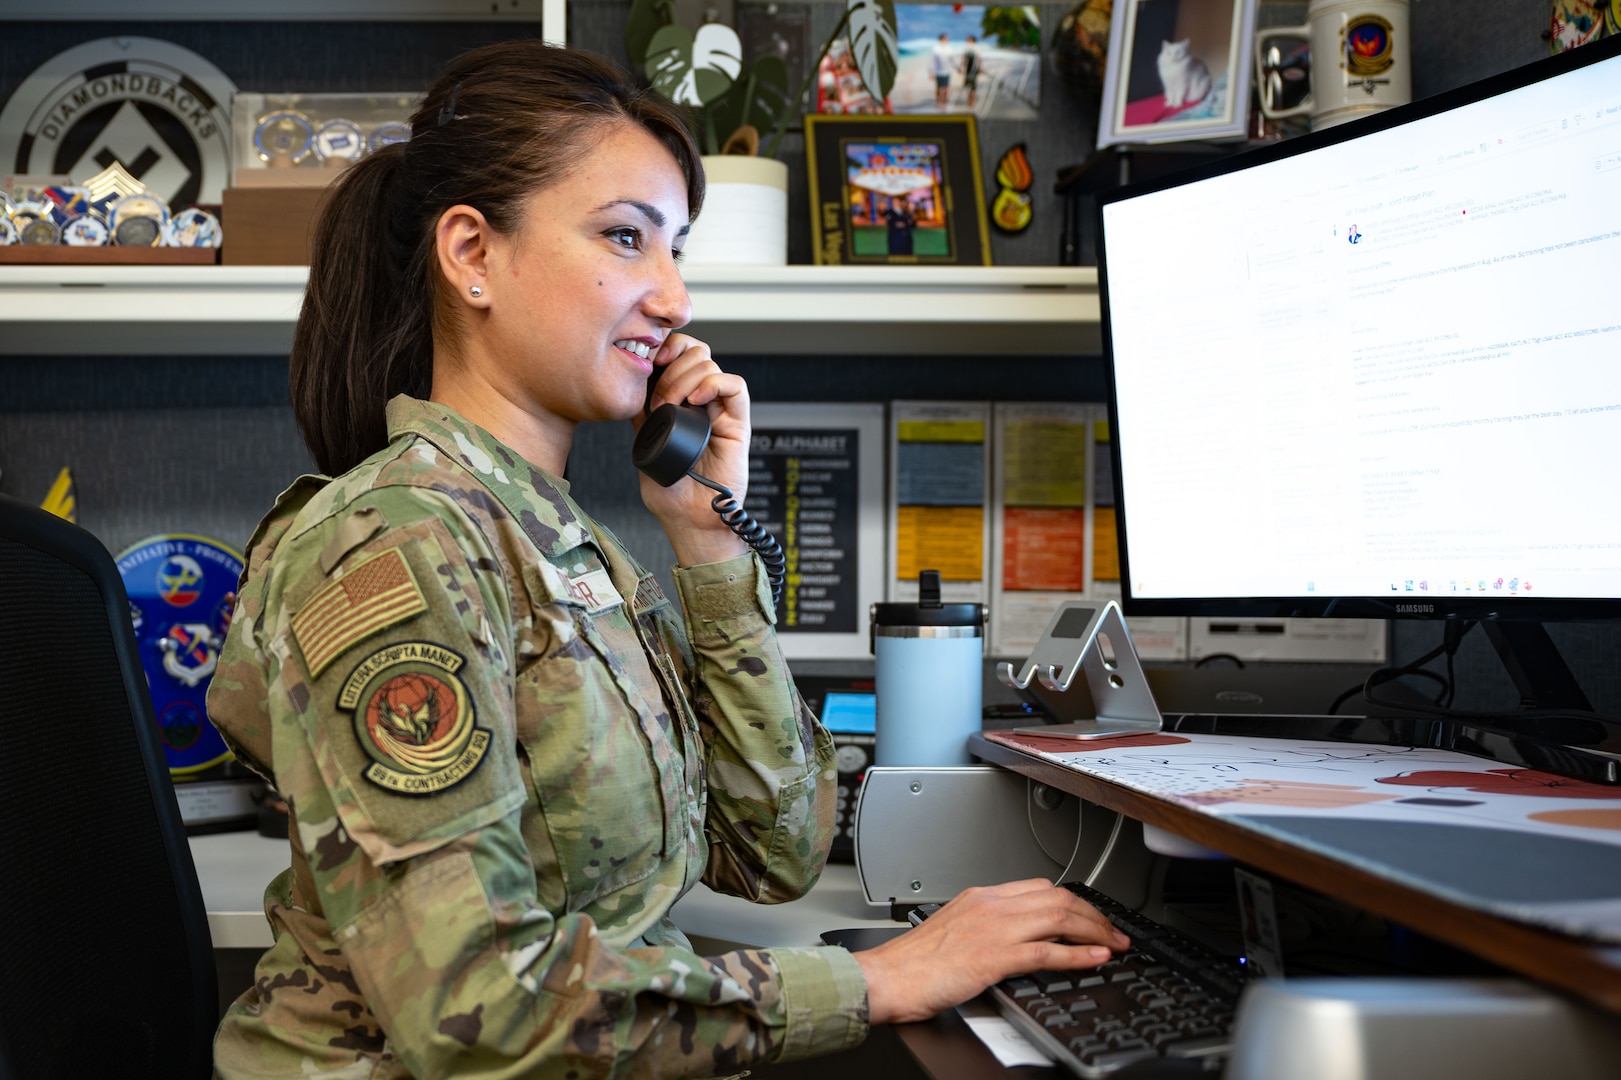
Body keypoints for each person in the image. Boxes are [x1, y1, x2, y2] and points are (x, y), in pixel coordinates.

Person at [207, 40, 1127, 1080]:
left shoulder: (566, 550)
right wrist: (878, 980)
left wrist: (707, 541)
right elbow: (478, 1006)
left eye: (676, 249)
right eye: (625, 237)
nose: (674, 297)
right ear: (472, 255)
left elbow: (775, 852)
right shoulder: (398, 544)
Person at [932, 32, 955, 109]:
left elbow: (952, 60)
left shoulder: (949, 48)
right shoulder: (936, 48)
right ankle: (938, 101)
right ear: (942, 39)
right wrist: (931, 72)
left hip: (947, 71)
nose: (947, 40)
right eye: (946, 38)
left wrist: (958, 68)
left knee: (946, 88)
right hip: (938, 72)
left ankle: (944, 102)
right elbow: (933, 61)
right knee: (938, 88)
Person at [962, 34, 982, 109]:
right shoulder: (966, 47)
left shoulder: (977, 47)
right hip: (968, 69)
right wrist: (962, 67)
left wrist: (980, 67)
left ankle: (972, 100)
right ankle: (969, 100)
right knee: (968, 85)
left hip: (974, 68)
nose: (967, 40)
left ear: (972, 40)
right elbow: (964, 58)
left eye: (969, 39)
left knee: (973, 85)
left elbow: (979, 58)